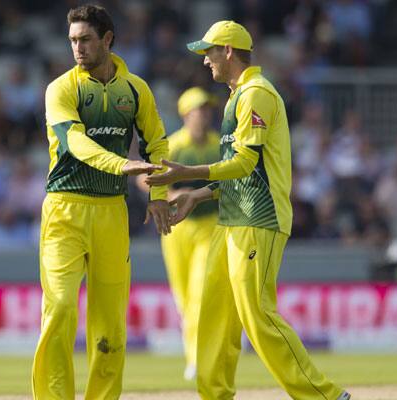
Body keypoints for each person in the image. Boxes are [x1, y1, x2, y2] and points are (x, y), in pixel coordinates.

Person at [146, 20, 351, 400]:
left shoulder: (257, 93)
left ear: (228, 50)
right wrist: (198, 195)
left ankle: (324, 395)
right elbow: (236, 174)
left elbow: (244, 163)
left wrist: (187, 175)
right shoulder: (236, 96)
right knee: (213, 311)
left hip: (260, 218)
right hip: (232, 217)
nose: (205, 60)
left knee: (256, 314)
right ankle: (215, 394)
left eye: (209, 52)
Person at [31, 5, 171, 399]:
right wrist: (121, 164)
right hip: (65, 209)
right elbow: (75, 143)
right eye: (73, 40)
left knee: (110, 327)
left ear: (107, 39)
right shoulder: (61, 88)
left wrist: (158, 194)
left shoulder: (135, 89)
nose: (77, 47)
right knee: (58, 310)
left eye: (85, 39)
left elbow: (157, 143)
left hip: (111, 212)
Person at [153, 87, 221, 381]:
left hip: (210, 226)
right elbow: (148, 179)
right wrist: (172, 192)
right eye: (199, 109)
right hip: (176, 229)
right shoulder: (173, 146)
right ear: (185, 114)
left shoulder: (218, 144)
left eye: (207, 109)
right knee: (183, 299)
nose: (205, 115)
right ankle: (194, 355)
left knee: (198, 295)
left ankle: (197, 359)